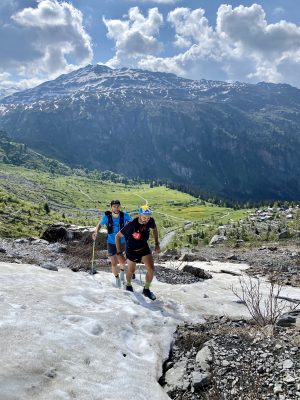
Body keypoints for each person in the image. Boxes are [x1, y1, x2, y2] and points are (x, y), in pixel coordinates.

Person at [115, 204, 160, 300]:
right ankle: (128, 284)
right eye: (144, 217)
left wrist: (157, 243)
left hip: (144, 248)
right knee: (131, 270)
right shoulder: (131, 224)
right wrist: (119, 254)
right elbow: (118, 236)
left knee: (151, 269)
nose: (146, 220)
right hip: (132, 250)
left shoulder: (150, 221)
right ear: (139, 215)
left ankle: (146, 289)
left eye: (148, 218)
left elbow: (155, 229)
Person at [92, 200, 131, 287]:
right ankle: (117, 278)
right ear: (111, 207)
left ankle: (122, 272)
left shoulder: (125, 215)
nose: (116, 208)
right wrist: (96, 232)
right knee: (113, 263)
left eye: (118, 206)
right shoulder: (107, 217)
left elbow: (131, 224)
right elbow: (100, 225)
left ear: (120, 206)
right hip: (111, 242)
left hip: (122, 242)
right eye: (114, 206)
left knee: (122, 261)